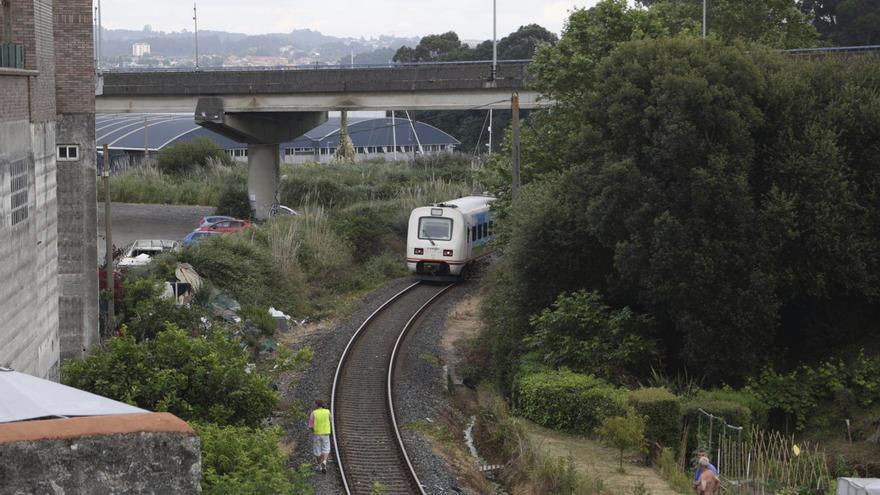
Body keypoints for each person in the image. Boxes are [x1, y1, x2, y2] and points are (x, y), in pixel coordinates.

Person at [309, 399, 332, 473]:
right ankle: (324, 461)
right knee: (326, 448)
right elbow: (331, 420)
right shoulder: (327, 412)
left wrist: (313, 431)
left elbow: (311, 426)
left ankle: (319, 465)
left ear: (316, 405)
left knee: (317, 450)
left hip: (317, 434)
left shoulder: (313, 413)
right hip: (326, 433)